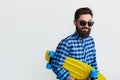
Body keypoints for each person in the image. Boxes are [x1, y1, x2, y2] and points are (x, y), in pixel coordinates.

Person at [51, 7, 98, 80]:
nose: (86, 26)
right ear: (75, 22)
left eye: (90, 23)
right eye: (82, 23)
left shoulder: (91, 41)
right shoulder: (66, 43)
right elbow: (56, 65)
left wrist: (95, 76)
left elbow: (93, 62)